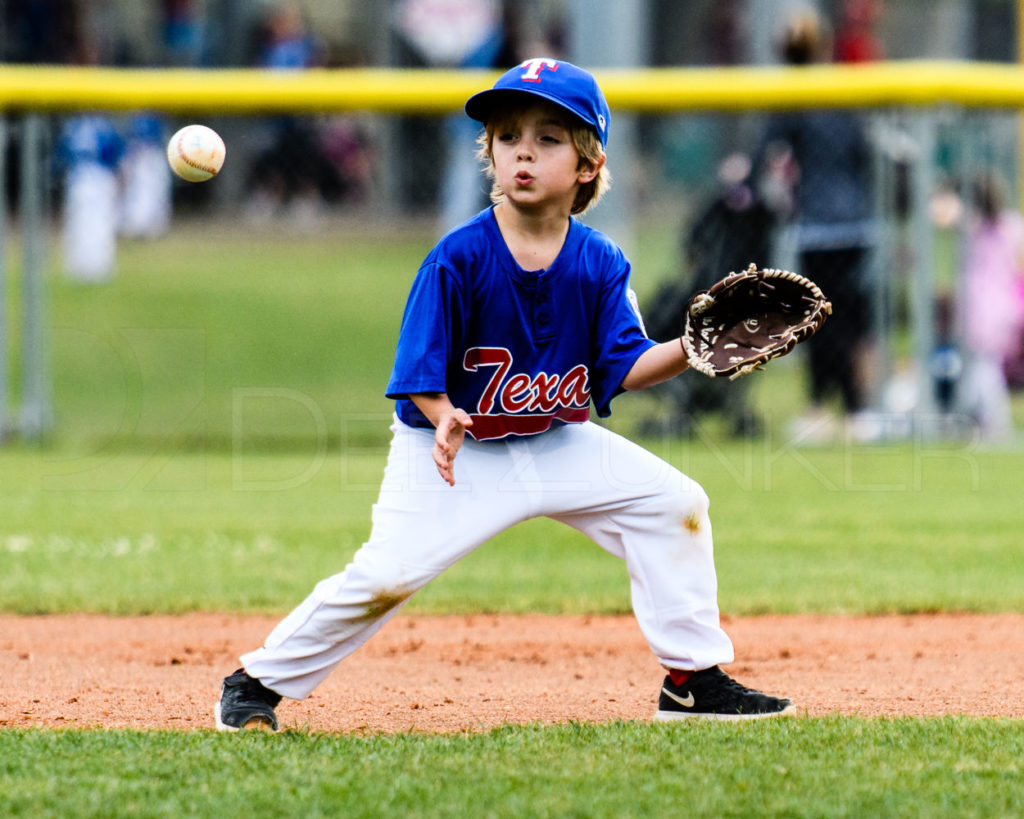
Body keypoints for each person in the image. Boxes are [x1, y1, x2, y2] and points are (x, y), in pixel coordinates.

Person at [214, 59, 795, 731]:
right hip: (455, 451)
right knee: (386, 575)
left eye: (549, 138)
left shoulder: (600, 261)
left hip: (556, 440)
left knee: (676, 504)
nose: (523, 148)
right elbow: (418, 372)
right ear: (488, 151)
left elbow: (627, 367)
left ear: (588, 163)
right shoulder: (458, 256)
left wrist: (691, 349)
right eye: (507, 134)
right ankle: (255, 679)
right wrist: (442, 416)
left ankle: (693, 681)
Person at [755, 8, 877, 441]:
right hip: (859, 224)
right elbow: (864, 152)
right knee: (848, 320)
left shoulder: (795, 95)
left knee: (819, 317)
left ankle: (828, 408)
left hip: (821, 227)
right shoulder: (840, 88)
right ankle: (854, 410)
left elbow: (763, 154)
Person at [958, 172, 1024, 441]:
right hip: (1006, 303)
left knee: (985, 365)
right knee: (989, 364)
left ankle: (994, 421)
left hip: (981, 306)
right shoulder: (1012, 225)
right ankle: (986, 419)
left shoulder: (972, 228)